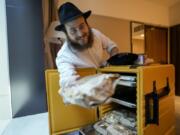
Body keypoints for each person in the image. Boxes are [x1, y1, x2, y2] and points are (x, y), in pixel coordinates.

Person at [55, 2, 119, 90]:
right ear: (66, 34)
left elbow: (112, 47)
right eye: (73, 31)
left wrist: (113, 62)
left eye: (82, 26)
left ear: (86, 24)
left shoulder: (96, 33)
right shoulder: (63, 56)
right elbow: (69, 83)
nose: (80, 34)